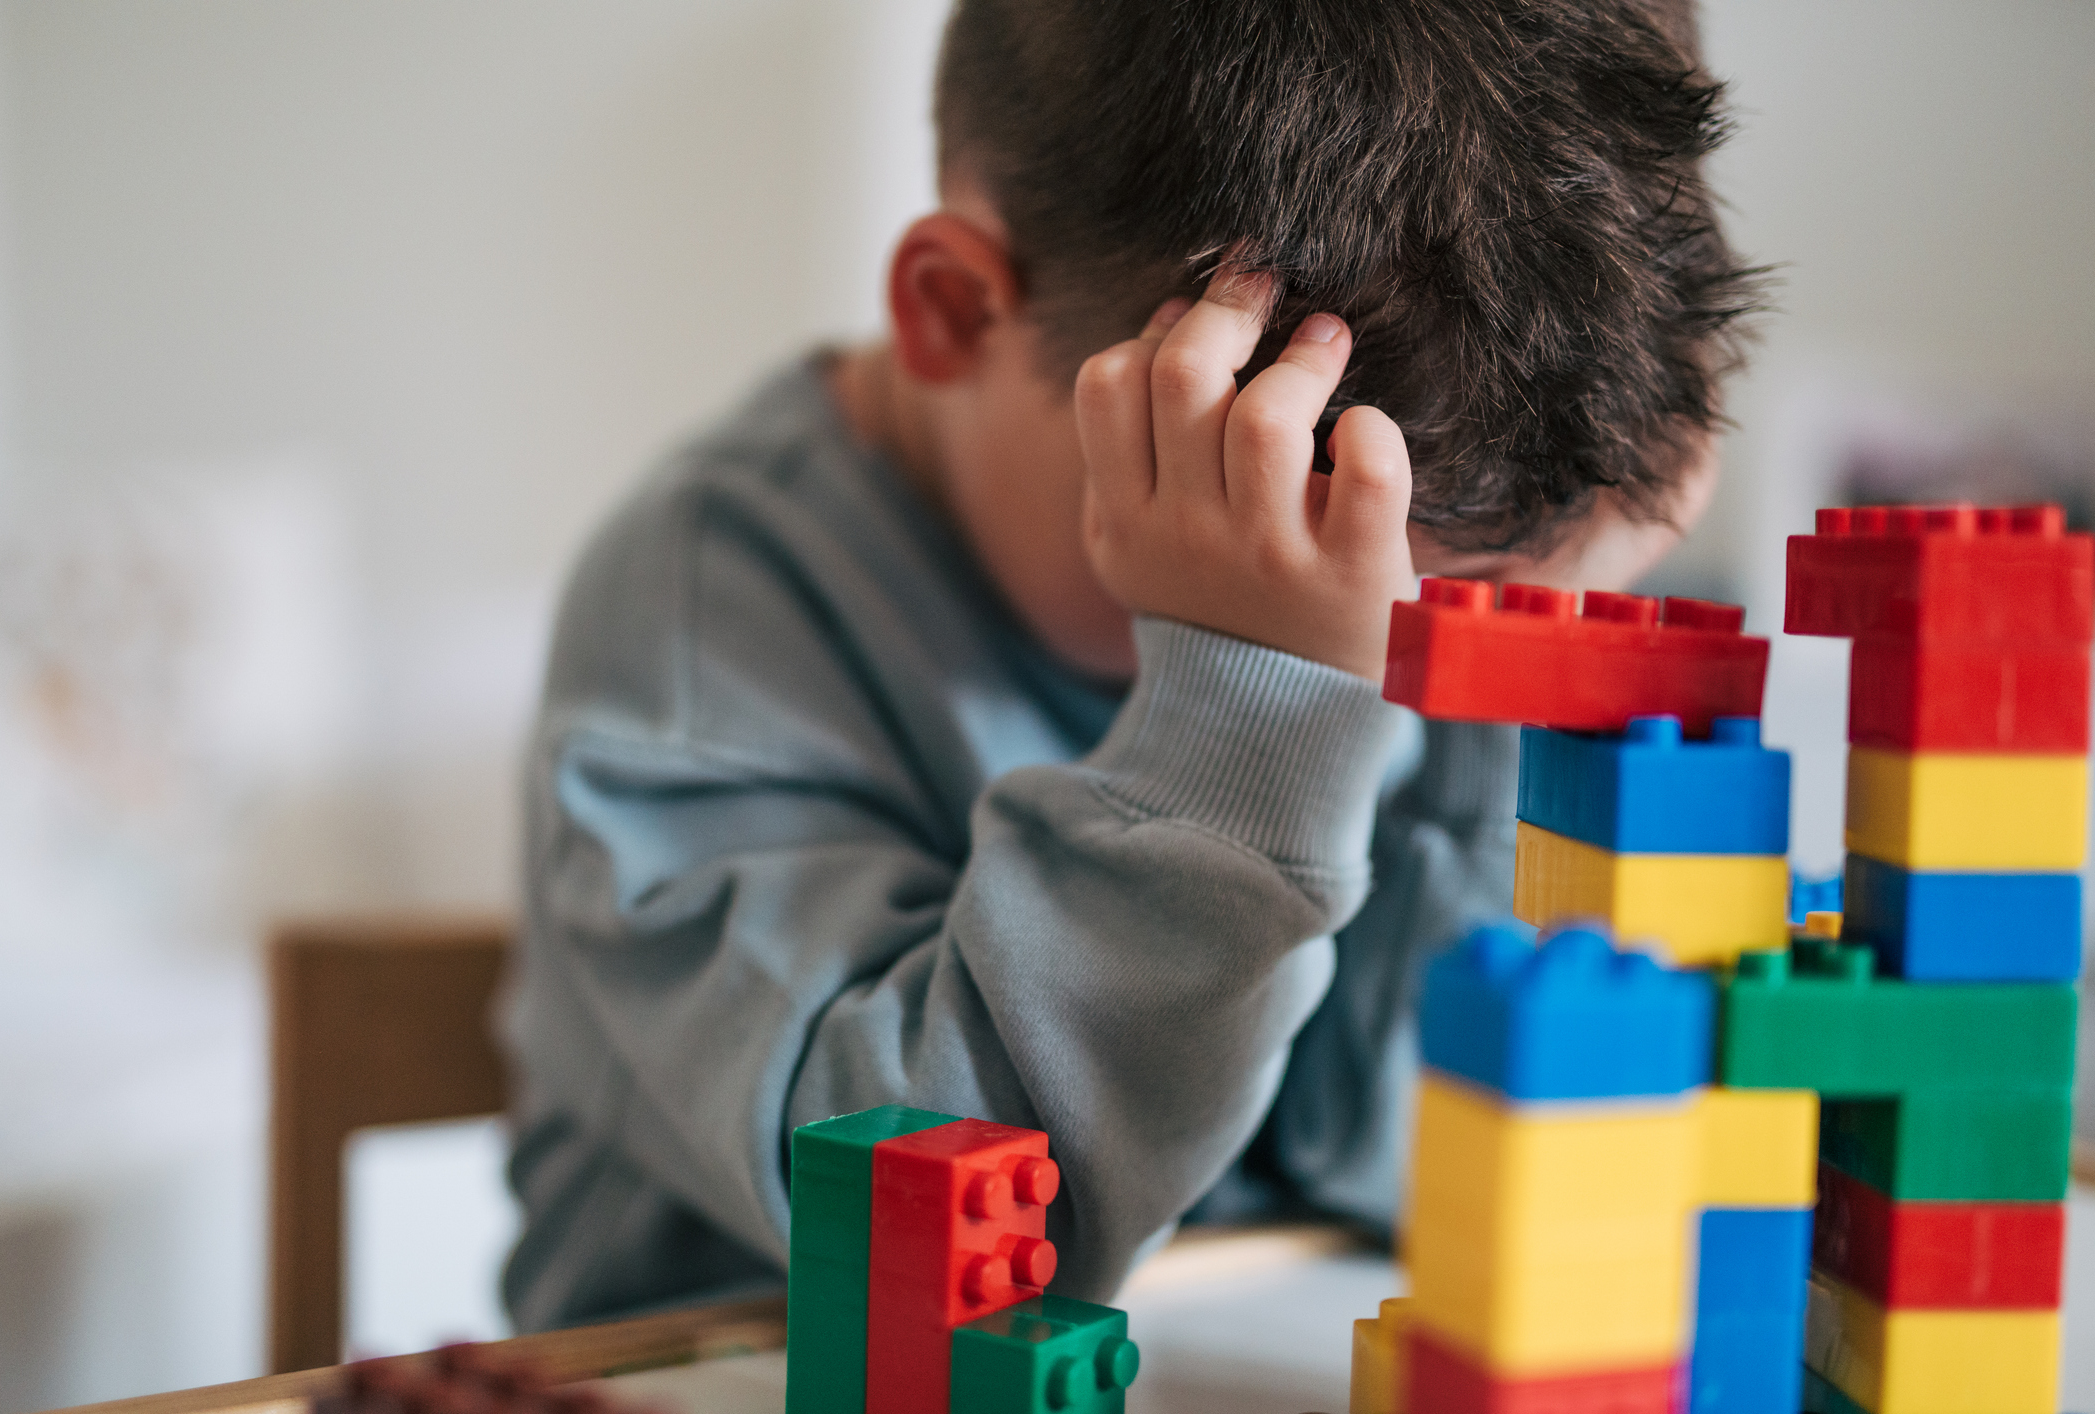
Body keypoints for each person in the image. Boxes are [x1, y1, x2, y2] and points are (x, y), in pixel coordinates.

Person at [501, 0, 1757, 1330]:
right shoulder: (708, 610)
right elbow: (928, 1245)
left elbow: (1407, 1148)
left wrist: (1532, 668)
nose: (1393, 662)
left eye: (1456, 618)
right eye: (1249, 510)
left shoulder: (1469, 521)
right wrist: (1253, 707)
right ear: (957, 311)